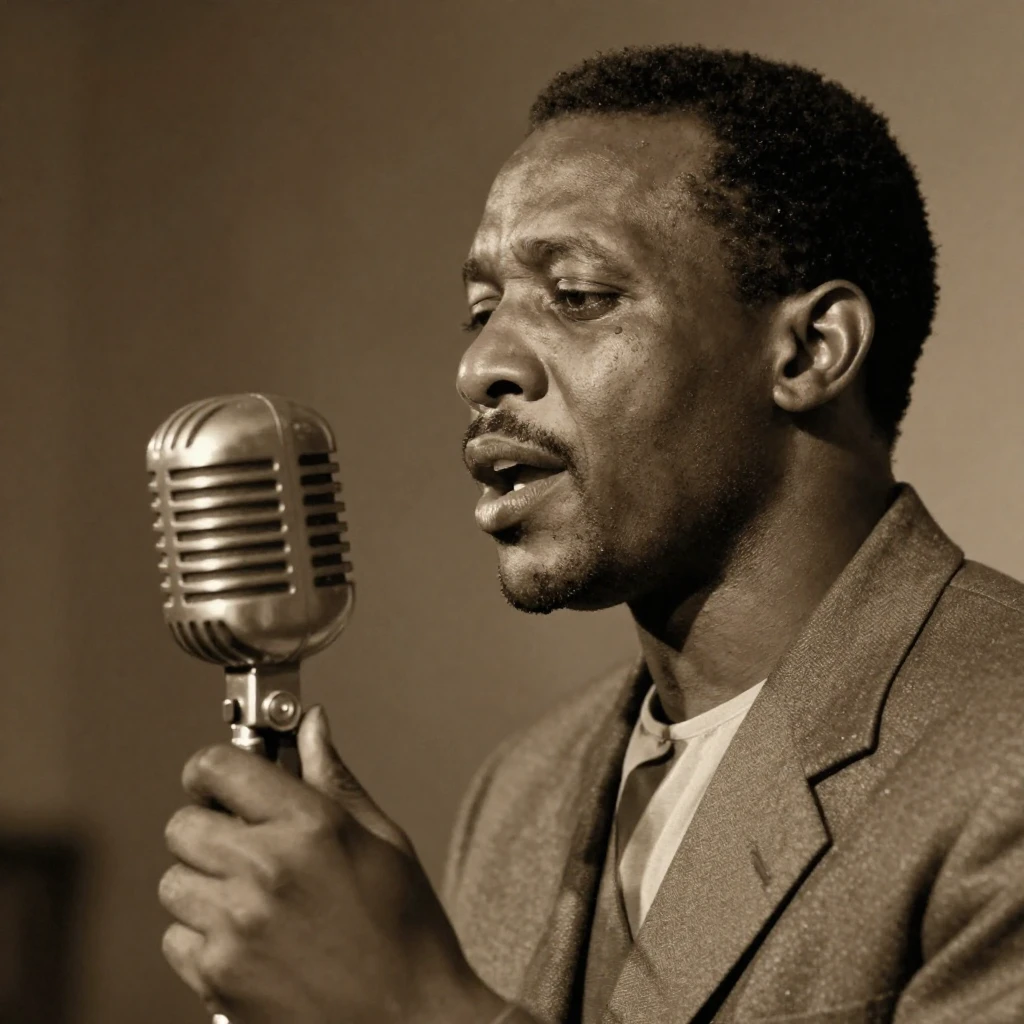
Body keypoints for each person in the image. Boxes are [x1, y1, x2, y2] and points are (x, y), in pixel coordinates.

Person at [157, 44, 1024, 1024]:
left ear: (809, 351)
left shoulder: (1002, 754)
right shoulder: (521, 791)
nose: (480, 365)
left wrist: (420, 1006)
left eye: (576, 296)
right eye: (480, 310)